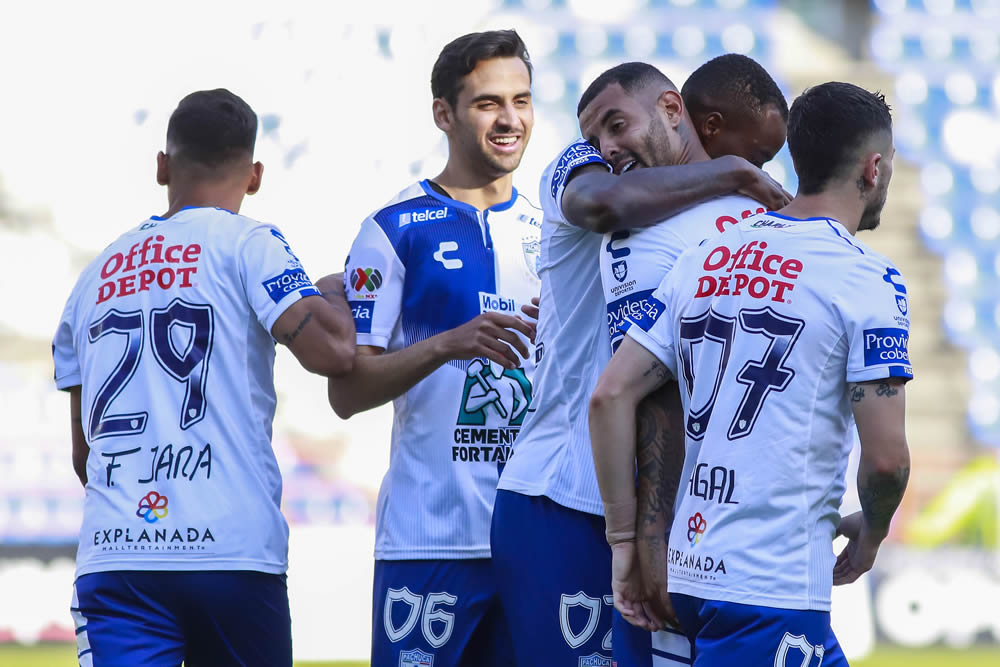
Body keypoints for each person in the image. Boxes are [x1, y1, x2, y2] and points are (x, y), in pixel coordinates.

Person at [589, 81, 910, 666]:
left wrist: (622, 540)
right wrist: (875, 530)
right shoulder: (867, 278)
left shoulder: (706, 256)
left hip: (685, 576)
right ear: (874, 167)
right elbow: (886, 461)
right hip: (771, 586)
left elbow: (610, 395)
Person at [491, 56, 791, 665]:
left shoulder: (736, 222)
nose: (607, 143)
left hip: (667, 513)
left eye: (617, 124)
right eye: (596, 131)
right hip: (561, 495)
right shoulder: (582, 172)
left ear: (672, 108)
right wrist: (732, 173)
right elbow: (603, 206)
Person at [52, 89, 356, 666]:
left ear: (163, 166)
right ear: (255, 175)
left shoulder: (91, 279)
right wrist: (331, 293)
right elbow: (334, 353)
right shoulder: (250, 244)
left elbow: (83, 454)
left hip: (118, 556)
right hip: (230, 552)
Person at [320, 30, 539, 666]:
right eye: (488, 103)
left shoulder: (554, 233)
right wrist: (448, 344)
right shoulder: (392, 230)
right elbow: (347, 391)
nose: (510, 120)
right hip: (430, 540)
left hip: (536, 541)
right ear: (444, 113)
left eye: (522, 101)